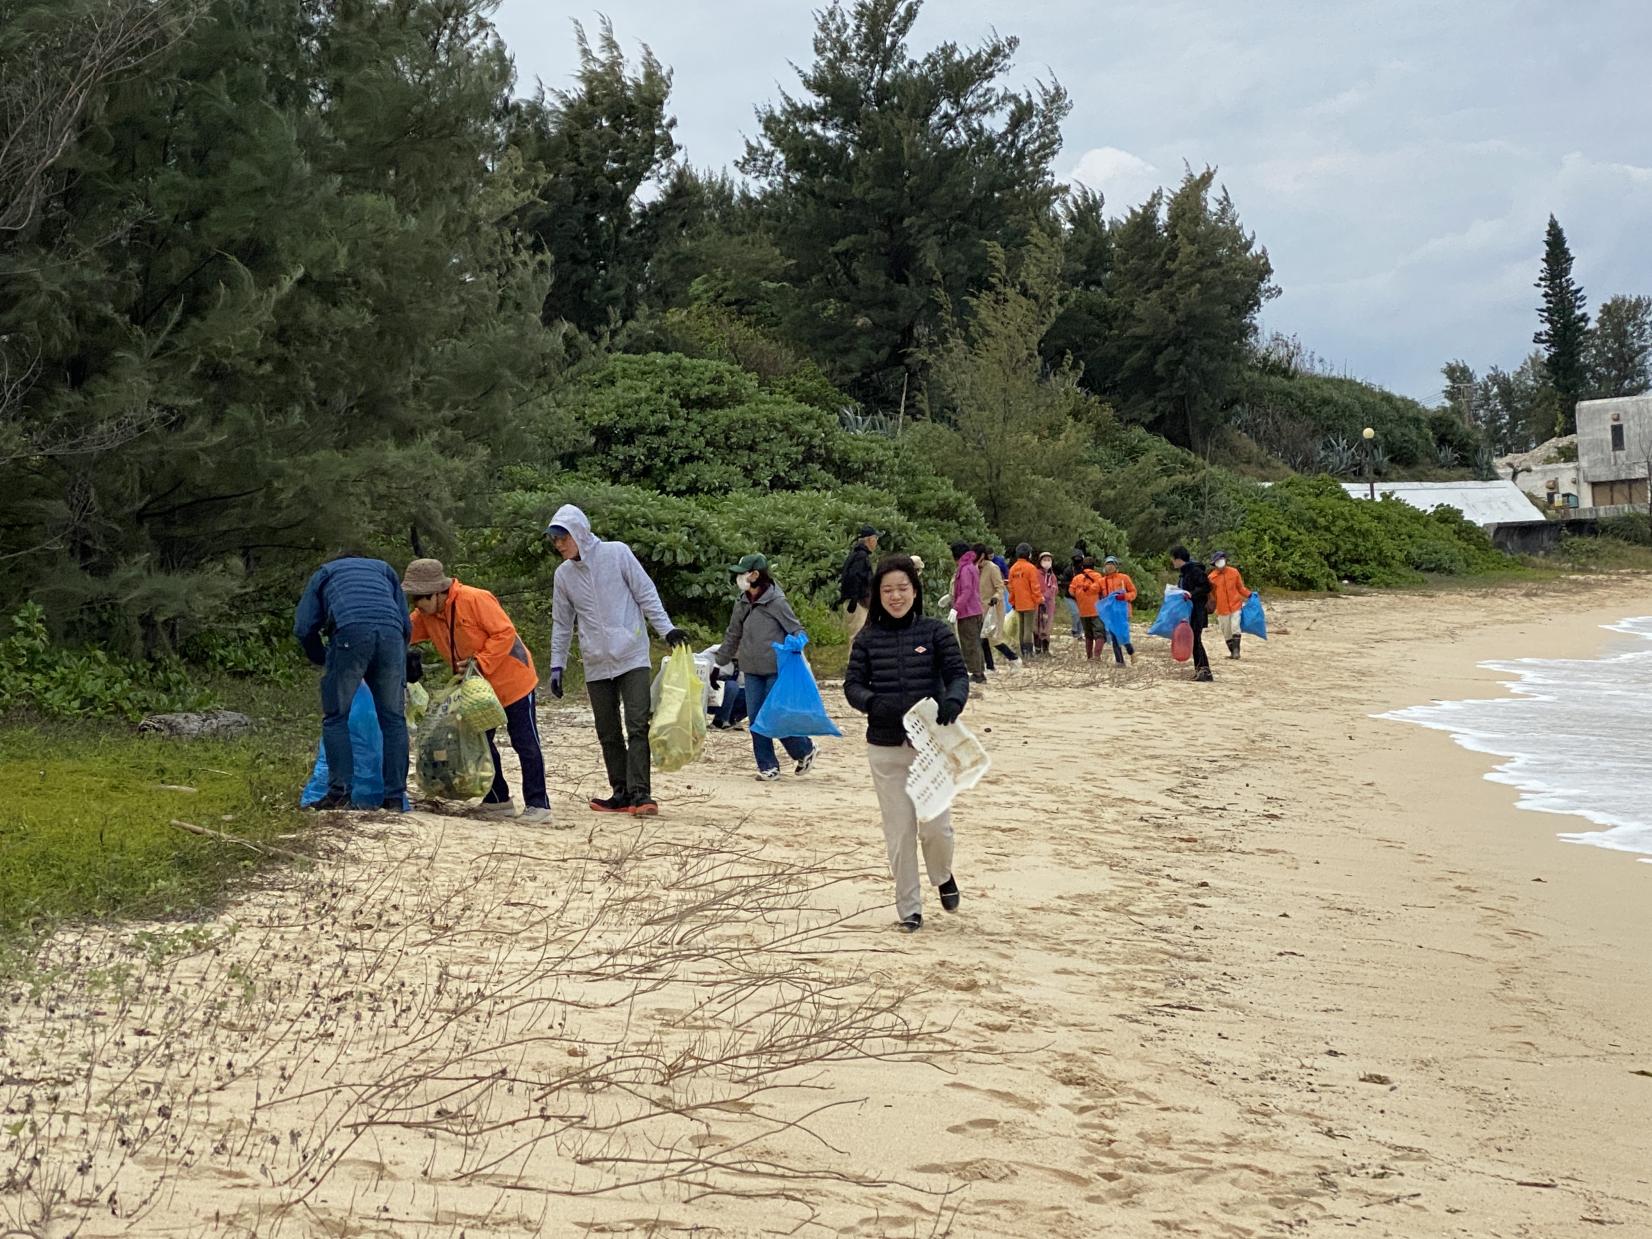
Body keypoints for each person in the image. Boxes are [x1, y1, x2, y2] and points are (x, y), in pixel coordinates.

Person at [843, 554, 970, 933]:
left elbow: (957, 675)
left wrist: (953, 701)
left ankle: (942, 874)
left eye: (902, 588)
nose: (895, 596)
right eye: (887, 590)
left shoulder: (935, 633)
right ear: (877, 595)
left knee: (936, 830)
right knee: (899, 832)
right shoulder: (866, 638)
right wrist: (871, 703)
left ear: (915, 591)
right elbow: (852, 685)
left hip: (931, 748)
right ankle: (909, 909)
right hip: (885, 747)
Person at [545, 505, 691, 816]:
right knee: (607, 730)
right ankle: (620, 792)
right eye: (554, 538)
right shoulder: (564, 576)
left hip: (631, 654)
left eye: (562, 536)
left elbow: (645, 593)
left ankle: (642, 794)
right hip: (596, 661)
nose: (558, 544)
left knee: (637, 724)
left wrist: (666, 630)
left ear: (579, 532)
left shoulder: (617, 554)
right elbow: (561, 623)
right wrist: (557, 666)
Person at [402, 558, 550, 824]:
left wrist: (480, 661)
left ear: (438, 592)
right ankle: (497, 799)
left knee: (524, 742)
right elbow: (403, 632)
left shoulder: (475, 599)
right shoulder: (425, 614)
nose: (418, 605)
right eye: (414, 598)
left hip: (512, 681)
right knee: (477, 743)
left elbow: (504, 633)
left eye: (422, 597)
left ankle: (539, 805)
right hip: (474, 691)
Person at [293, 552, 411, 811]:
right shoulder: (384, 568)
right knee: (393, 718)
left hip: (350, 632)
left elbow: (303, 626)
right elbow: (405, 622)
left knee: (336, 716)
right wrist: (399, 661)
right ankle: (394, 798)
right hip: (391, 636)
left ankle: (339, 793)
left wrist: (322, 657)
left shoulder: (325, 572)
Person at [714, 553, 818, 782]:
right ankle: (768, 766)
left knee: (774, 717)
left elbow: (796, 629)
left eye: (742, 573)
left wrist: (797, 643)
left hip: (775, 669)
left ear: (755, 575)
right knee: (757, 720)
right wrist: (718, 663)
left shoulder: (777, 602)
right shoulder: (742, 602)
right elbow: (733, 634)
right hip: (751, 670)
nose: (738, 578)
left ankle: (804, 749)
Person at [1170, 545, 1214, 682]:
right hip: (1189, 612)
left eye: (1173, 559)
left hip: (1198, 610)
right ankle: (1201, 670)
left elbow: (1206, 587)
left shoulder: (1195, 570)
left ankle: (1204, 671)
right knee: (1194, 640)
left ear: (1178, 559)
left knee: (1196, 639)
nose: (1172, 562)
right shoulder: (1184, 573)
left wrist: (1191, 594)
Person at [949, 541, 988, 684]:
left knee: (969, 643)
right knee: (975, 642)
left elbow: (966, 591)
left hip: (968, 612)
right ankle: (979, 671)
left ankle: (977, 673)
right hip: (975, 610)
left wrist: (956, 608)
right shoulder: (971, 566)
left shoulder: (964, 568)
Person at [974, 542, 1018, 669]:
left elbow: (1000, 588)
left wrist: (995, 598)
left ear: (982, 555)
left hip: (994, 608)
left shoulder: (992, 568)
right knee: (983, 638)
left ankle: (1014, 658)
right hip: (980, 608)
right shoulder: (975, 568)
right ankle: (990, 666)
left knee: (994, 639)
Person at [1208, 550, 1253, 659]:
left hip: (1235, 605)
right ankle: (1232, 652)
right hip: (1222, 608)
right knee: (1226, 631)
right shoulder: (1211, 578)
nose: (1220, 563)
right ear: (1214, 564)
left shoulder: (1234, 572)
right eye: (1217, 561)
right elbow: (1211, 595)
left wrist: (1250, 595)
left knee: (1235, 626)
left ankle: (1237, 651)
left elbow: (1240, 587)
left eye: (1222, 559)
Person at [837, 525, 879, 641]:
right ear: (869, 539)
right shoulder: (861, 556)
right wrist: (854, 599)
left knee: (859, 635)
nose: (876, 543)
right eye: (876, 539)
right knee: (856, 636)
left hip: (855, 601)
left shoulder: (856, 554)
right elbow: (854, 577)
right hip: (857, 602)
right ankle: (853, 659)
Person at [1098, 555, 1138, 666]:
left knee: (1122, 634)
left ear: (1116, 566)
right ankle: (1119, 661)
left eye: (1112, 564)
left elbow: (1133, 593)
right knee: (1114, 636)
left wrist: (1124, 596)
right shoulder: (1101, 581)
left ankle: (1131, 652)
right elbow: (1096, 593)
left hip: (1123, 612)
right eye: (1107, 564)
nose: (1109, 567)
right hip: (1109, 613)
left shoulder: (1124, 578)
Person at [1067, 556, 1107, 660]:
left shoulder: (1077, 578)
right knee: (1100, 634)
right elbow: (1103, 590)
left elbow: (1071, 592)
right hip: (1096, 610)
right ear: (1093, 566)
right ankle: (1097, 656)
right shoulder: (1098, 576)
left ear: (1082, 566)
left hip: (1083, 610)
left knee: (1088, 635)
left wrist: (1080, 597)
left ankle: (1089, 657)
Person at [1007, 543, 1042, 661]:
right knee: (1028, 628)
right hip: (1029, 603)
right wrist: (1039, 599)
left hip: (1018, 603)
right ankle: (1028, 652)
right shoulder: (1031, 568)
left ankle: (1023, 651)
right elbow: (1035, 586)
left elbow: (1010, 587)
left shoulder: (1013, 568)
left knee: (1021, 628)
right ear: (1028, 554)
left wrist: (1012, 601)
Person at [1034, 551, 1060, 655]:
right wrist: (1041, 596)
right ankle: (1037, 648)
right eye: (1045, 560)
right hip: (1037, 603)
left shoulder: (1052, 576)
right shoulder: (1036, 573)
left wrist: (1047, 595)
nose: (1047, 562)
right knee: (1037, 625)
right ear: (1040, 561)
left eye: (1049, 560)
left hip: (1049, 605)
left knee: (1047, 626)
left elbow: (1055, 589)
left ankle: (1046, 649)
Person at [1059, 550, 1085, 637]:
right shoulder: (1068, 570)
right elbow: (1063, 582)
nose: (1077, 561)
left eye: (1079, 559)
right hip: (1069, 596)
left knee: (1082, 614)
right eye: (1075, 559)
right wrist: (1073, 584)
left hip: (1081, 596)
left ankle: (1080, 632)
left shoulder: (1085, 570)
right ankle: (1074, 630)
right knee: (1075, 613)